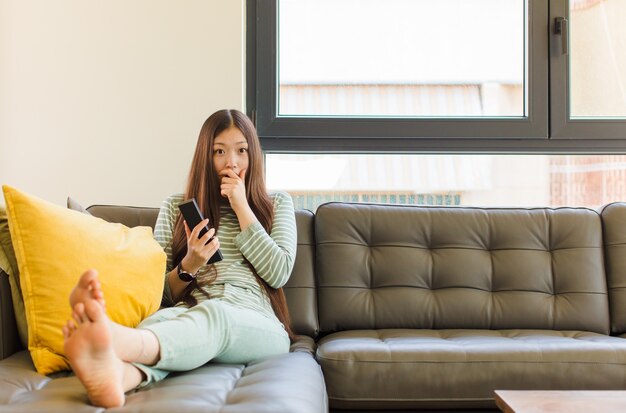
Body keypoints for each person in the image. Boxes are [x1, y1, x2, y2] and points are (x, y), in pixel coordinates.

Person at [62, 109, 298, 408]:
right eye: (219, 152)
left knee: (217, 317)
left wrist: (242, 208)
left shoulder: (277, 203)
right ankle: (121, 376)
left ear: (254, 156)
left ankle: (113, 340)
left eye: (241, 151)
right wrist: (191, 265)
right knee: (160, 320)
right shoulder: (176, 206)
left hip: (257, 321)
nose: (232, 162)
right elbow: (157, 294)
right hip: (191, 308)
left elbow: (279, 273)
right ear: (205, 156)